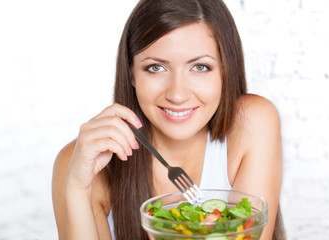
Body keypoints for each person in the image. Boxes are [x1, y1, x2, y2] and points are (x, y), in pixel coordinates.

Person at [52, 0, 285, 239]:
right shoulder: (81, 162)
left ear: (226, 70)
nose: (177, 95)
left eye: (200, 67)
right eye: (156, 68)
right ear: (131, 72)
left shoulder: (252, 123)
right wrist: (77, 190)